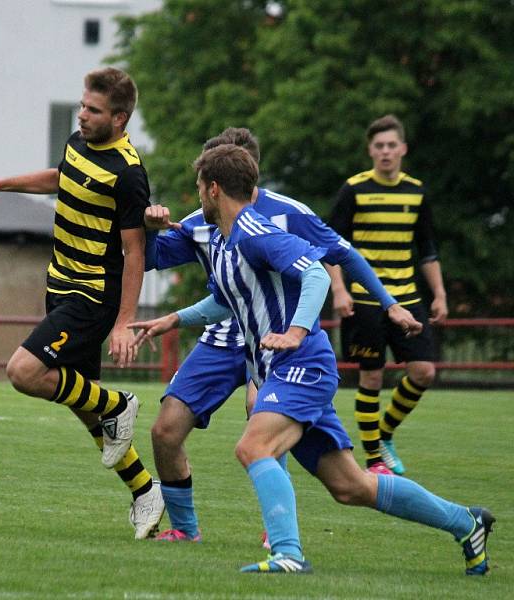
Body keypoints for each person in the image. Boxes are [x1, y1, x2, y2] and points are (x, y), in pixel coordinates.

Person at [128, 143, 494, 575]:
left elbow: (317, 273)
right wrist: (173, 319)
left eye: (197, 188)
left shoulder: (256, 231)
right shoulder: (228, 241)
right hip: (287, 369)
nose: (196, 197)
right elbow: (227, 301)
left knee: (253, 446)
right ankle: (466, 522)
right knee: (350, 485)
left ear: (212, 189)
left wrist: (296, 331)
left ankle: (288, 553)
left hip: (301, 364)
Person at [140, 128, 421, 544]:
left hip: (278, 344)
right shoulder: (203, 222)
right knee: (165, 430)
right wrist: (150, 230)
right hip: (224, 337)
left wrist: (388, 303)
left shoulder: (285, 215)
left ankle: (279, 537)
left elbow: (340, 256)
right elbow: (154, 259)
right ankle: (186, 528)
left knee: (262, 416)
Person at [0, 67, 164, 538]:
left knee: (24, 371)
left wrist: (123, 323)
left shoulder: (128, 173)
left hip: (92, 296)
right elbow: (61, 178)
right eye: (82, 106)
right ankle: (145, 492)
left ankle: (120, 403)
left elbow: (134, 253)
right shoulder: (78, 143)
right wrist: (1, 182)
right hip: (59, 286)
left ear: (119, 119)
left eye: (93, 111)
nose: (82, 116)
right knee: (84, 406)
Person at [328, 115, 448, 475]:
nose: (385, 151)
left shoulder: (416, 192)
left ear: (402, 149)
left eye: (391, 145)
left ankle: (384, 432)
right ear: (370, 150)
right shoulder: (354, 189)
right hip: (365, 300)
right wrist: (339, 290)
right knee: (372, 377)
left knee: (424, 371)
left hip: (408, 297)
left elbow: (427, 249)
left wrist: (439, 293)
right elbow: (330, 245)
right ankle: (374, 461)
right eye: (378, 146)